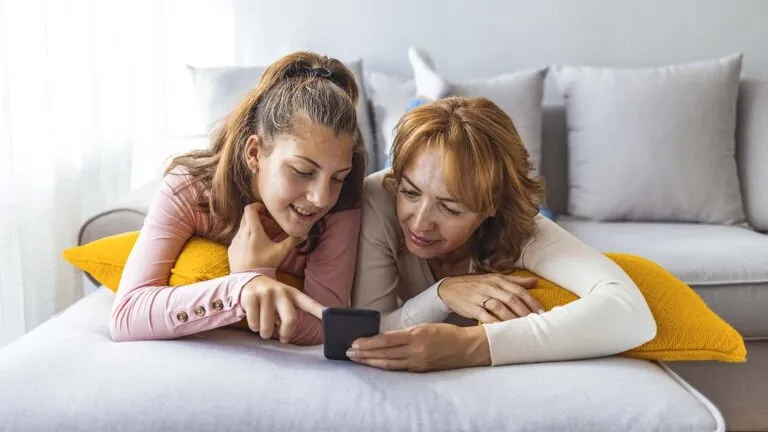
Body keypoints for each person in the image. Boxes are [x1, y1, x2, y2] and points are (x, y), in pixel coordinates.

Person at [350, 96, 657, 371]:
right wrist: (441, 294)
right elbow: (366, 333)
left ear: (492, 205)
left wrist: (470, 346)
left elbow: (630, 312)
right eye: (410, 193)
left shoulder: (521, 227)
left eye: (451, 209)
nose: (419, 223)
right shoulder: (379, 198)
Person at [110, 51, 366, 346]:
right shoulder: (189, 190)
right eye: (303, 171)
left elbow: (325, 323)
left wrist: (257, 275)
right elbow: (126, 315)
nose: (321, 198)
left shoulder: (342, 205)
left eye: (337, 177)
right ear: (255, 153)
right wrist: (242, 288)